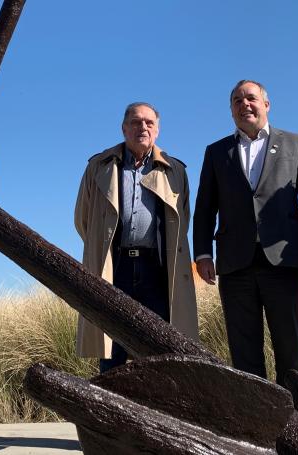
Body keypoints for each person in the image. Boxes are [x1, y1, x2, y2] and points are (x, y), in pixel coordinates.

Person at [193, 80, 298, 381]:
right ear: (231, 110)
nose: (244, 104)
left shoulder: (296, 143)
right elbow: (204, 207)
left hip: (284, 261)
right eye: (237, 100)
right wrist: (202, 254)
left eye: (251, 98)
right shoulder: (216, 152)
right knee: (243, 351)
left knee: (290, 347)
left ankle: (296, 410)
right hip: (234, 263)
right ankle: (254, 412)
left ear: (266, 105)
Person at [74, 102, 199, 373]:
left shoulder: (175, 170)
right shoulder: (99, 166)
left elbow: (183, 221)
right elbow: (84, 220)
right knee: (112, 344)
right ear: (124, 128)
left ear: (157, 130)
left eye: (149, 123)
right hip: (114, 267)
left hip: (157, 269)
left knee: (159, 345)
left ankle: (158, 398)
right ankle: (109, 398)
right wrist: (101, 249)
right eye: (135, 122)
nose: (142, 127)